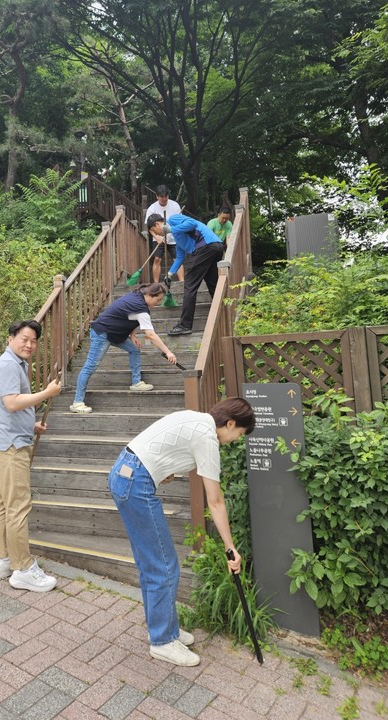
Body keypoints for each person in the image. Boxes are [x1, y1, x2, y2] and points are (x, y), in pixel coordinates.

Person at [108, 398, 256, 666]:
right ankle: (163, 641)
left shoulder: (195, 418)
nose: (235, 440)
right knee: (164, 566)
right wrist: (230, 548)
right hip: (135, 482)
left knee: (152, 564)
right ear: (230, 423)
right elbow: (216, 500)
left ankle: (166, 629)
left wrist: (163, 469)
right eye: (239, 434)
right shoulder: (208, 437)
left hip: (125, 472)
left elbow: (159, 445)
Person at [0, 320, 62, 592]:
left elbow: (7, 408)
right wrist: (47, 393)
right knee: (18, 505)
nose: (29, 344)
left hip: (5, 440)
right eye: (24, 339)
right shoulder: (8, 364)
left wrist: (31, 425)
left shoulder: (16, 363)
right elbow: (12, 402)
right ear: (10, 339)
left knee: (4, 504)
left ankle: (3, 559)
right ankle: (23, 569)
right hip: (10, 447)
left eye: (33, 341)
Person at [69, 283, 178, 414]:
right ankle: (77, 402)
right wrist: (168, 352)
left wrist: (132, 335)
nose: (158, 303)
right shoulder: (141, 308)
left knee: (134, 349)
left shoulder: (138, 295)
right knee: (90, 366)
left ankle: (136, 383)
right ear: (149, 295)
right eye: (158, 299)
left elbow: (130, 315)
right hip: (102, 333)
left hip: (114, 333)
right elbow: (150, 334)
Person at [146, 212, 223, 336]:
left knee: (190, 285)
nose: (156, 235)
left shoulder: (172, 219)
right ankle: (225, 311)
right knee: (213, 284)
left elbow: (191, 223)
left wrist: (170, 228)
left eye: (154, 231)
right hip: (213, 248)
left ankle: (185, 325)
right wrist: (170, 274)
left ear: (157, 224)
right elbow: (180, 257)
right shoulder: (177, 238)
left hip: (206, 246)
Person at [144, 185, 184, 283]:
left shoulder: (175, 205)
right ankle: (156, 284)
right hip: (158, 238)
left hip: (174, 237)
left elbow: (181, 221)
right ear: (157, 196)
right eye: (162, 197)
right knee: (157, 259)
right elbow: (149, 227)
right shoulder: (152, 208)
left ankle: (182, 282)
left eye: (166, 196)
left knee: (177, 259)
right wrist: (156, 237)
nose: (164, 199)